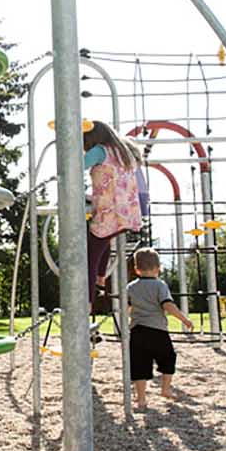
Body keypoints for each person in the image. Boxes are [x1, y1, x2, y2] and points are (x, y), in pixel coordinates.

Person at [82, 120, 143, 313]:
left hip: (108, 212)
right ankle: (101, 279)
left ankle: (87, 303)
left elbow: (75, 166)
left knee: (90, 256)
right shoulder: (123, 152)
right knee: (103, 240)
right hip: (126, 212)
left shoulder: (99, 151)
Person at [127, 246, 194, 410]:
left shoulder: (131, 287)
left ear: (136, 269)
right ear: (158, 268)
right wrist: (184, 319)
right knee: (168, 358)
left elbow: (127, 308)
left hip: (137, 331)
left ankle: (141, 399)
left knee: (139, 364)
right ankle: (165, 388)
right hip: (157, 330)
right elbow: (167, 305)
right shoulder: (160, 285)